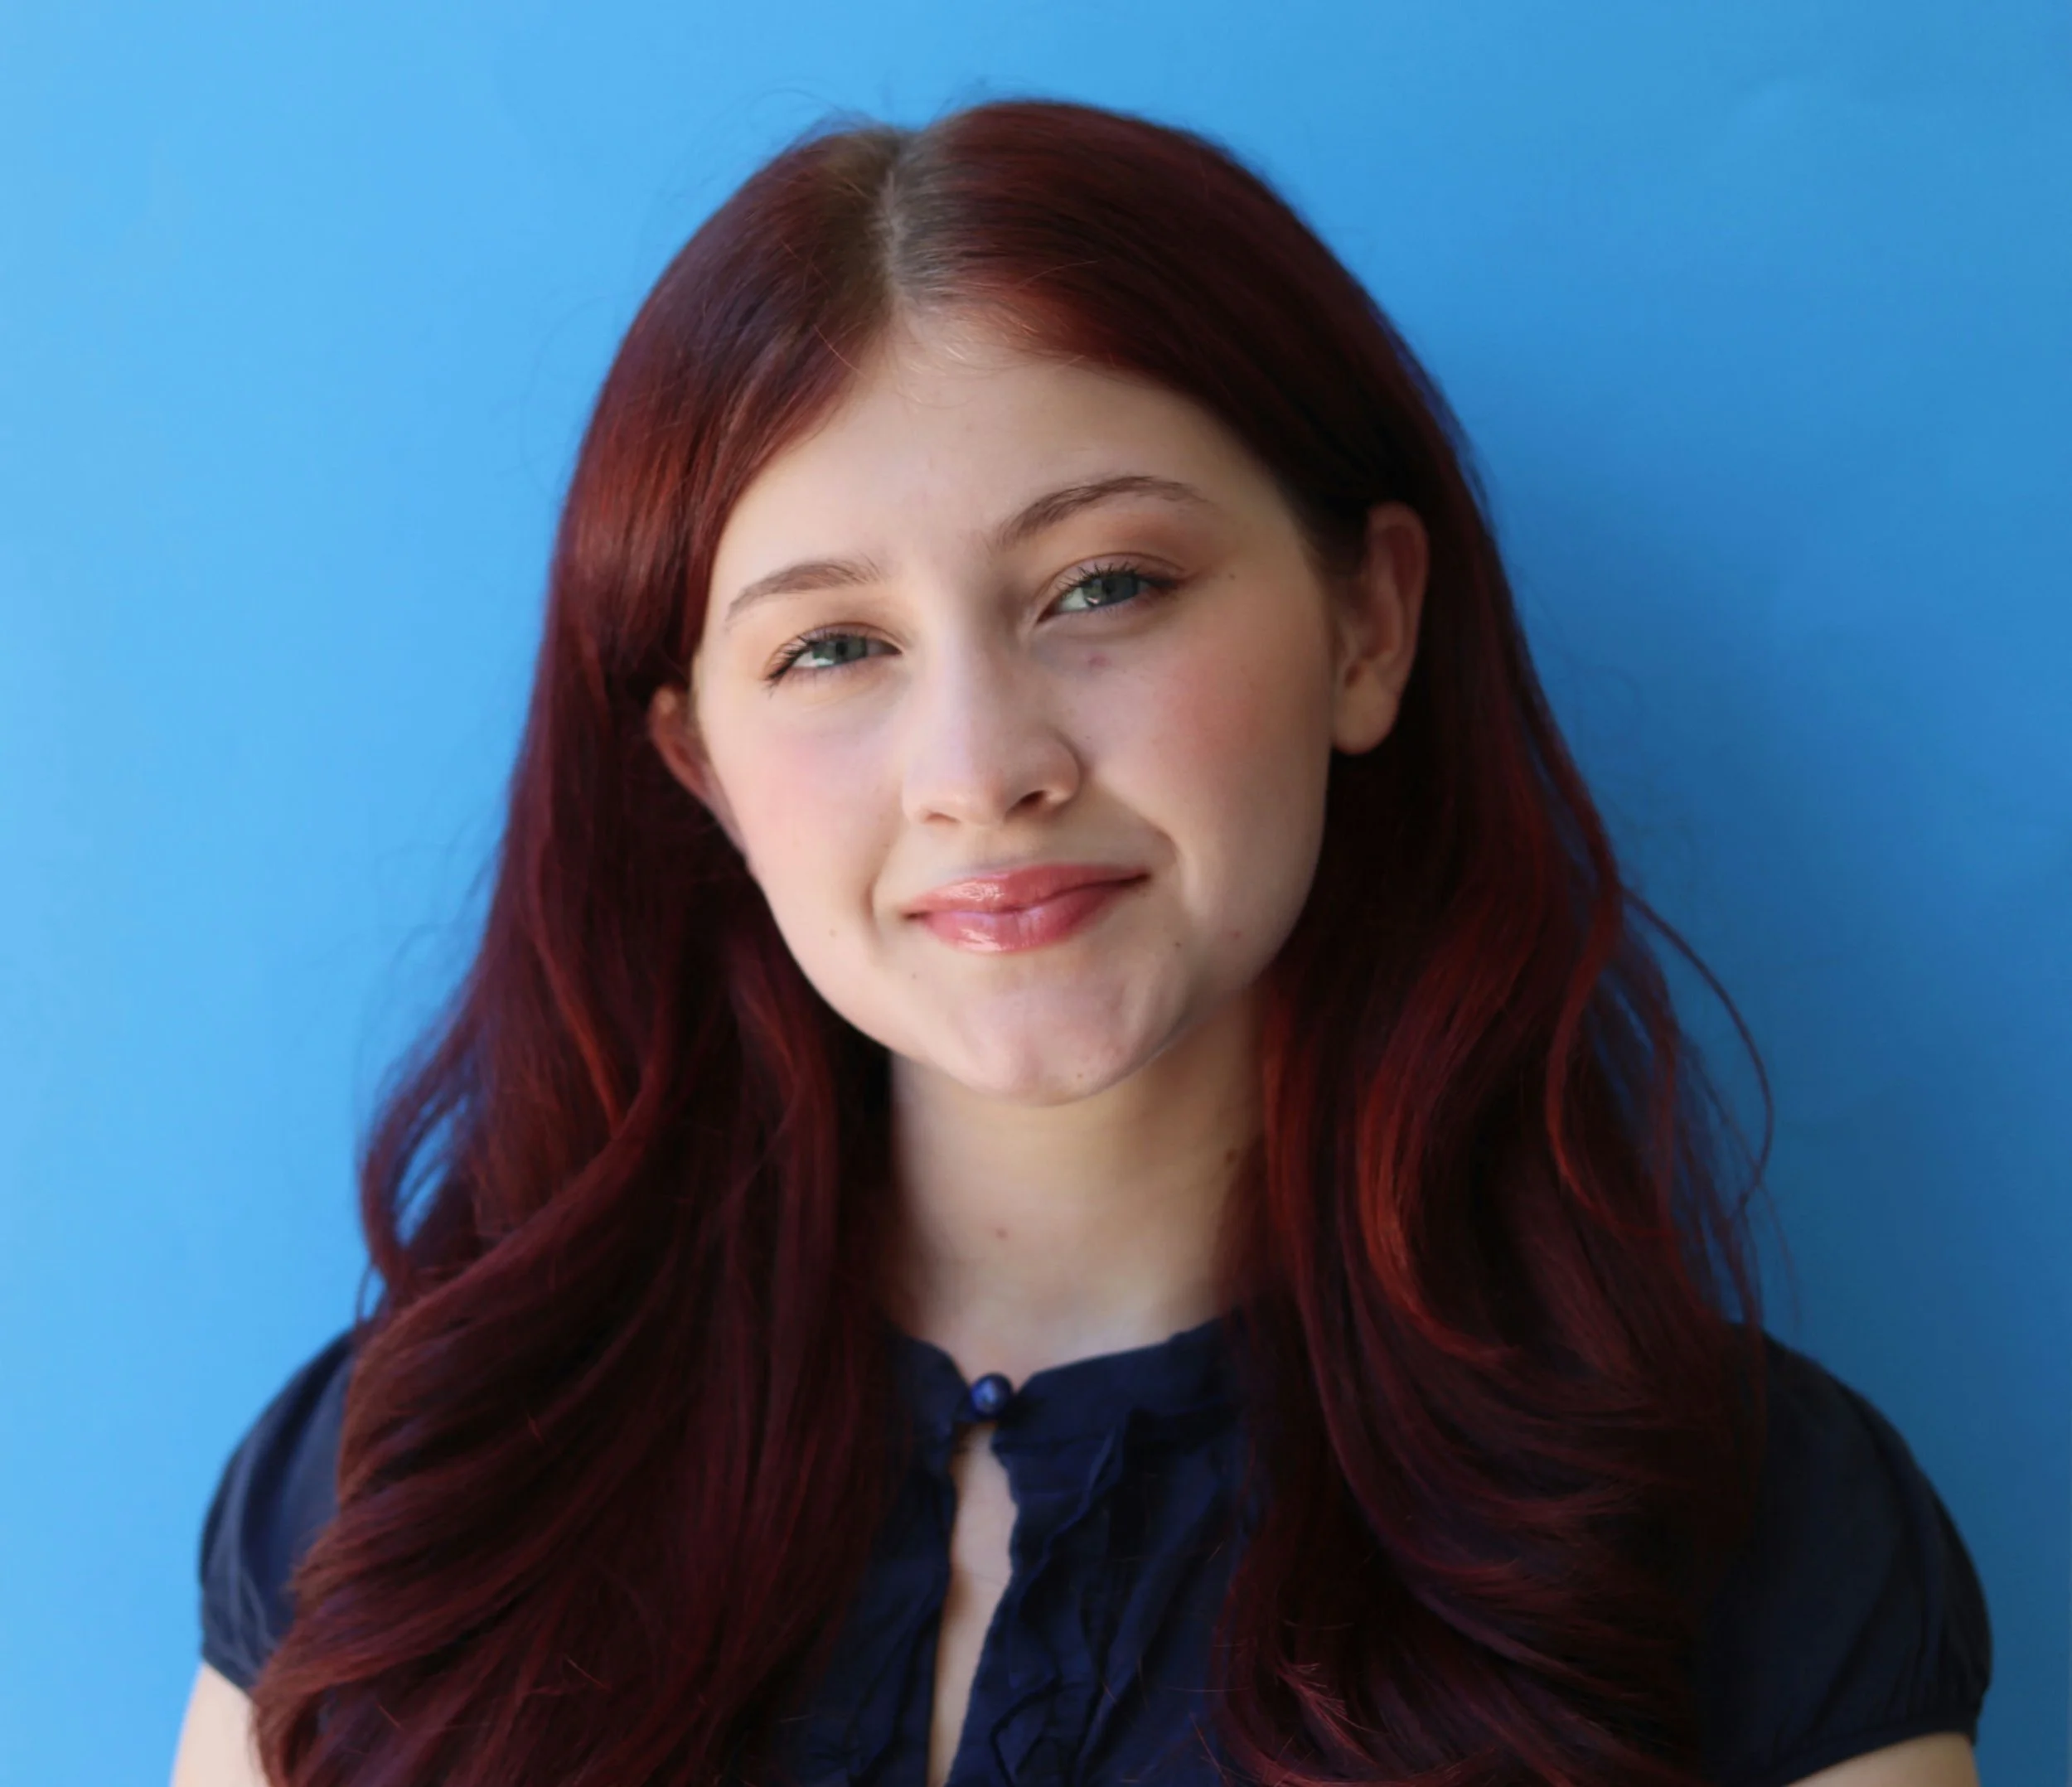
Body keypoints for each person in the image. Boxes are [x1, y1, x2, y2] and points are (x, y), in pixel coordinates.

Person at [169, 98, 1991, 1787]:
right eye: (830, 647)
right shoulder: (400, 1500)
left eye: (1103, 587)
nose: (981, 771)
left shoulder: (1748, 1538)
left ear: (1367, 627)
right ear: (699, 764)